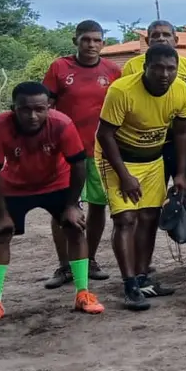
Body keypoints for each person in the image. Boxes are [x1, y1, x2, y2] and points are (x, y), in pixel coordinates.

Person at [0, 82, 104, 326]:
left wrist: (73, 204)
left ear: (49, 107)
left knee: (75, 228)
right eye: (24, 109)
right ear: (13, 108)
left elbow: (78, 165)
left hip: (57, 183)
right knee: (0, 233)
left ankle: (83, 293)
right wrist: (1, 213)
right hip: (14, 186)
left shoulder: (62, 124)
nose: (32, 115)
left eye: (39, 109)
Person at [97, 44, 186, 311]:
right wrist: (124, 176)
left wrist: (181, 174)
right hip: (117, 159)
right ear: (145, 67)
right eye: (158, 67)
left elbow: (183, 133)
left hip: (153, 160)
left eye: (171, 68)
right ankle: (129, 285)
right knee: (126, 218)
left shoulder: (181, 91)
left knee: (150, 217)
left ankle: (142, 277)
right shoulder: (122, 91)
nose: (164, 74)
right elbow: (104, 135)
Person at [121, 20, 186, 271]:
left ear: (176, 40)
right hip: (147, 143)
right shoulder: (132, 66)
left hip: (184, 140)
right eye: (155, 35)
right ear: (147, 40)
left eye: (166, 34)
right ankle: (142, 261)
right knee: (145, 203)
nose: (160, 38)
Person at [42, 19, 119, 288]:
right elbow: (45, 108)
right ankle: (64, 266)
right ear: (75, 40)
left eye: (97, 40)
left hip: (99, 151)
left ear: (103, 43)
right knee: (62, 207)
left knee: (98, 206)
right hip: (64, 153)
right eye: (86, 39)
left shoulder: (112, 71)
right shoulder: (59, 67)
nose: (91, 45)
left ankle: (89, 260)